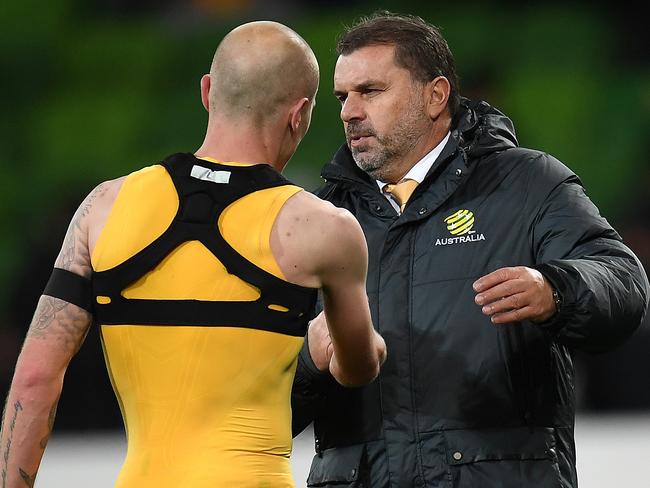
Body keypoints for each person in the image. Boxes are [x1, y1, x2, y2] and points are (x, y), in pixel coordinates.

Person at [0, 21, 386, 488]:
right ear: (299, 115)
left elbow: (35, 380)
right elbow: (357, 368)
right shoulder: (324, 228)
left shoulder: (102, 207)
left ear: (207, 91)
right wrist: (343, 342)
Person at [291, 11, 649, 488]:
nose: (348, 112)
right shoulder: (313, 220)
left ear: (435, 95)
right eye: (342, 97)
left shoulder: (526, 183)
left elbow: (624, 283)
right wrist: (307, 364)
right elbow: (257, 414)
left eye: (371, 91)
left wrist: (557, 289)